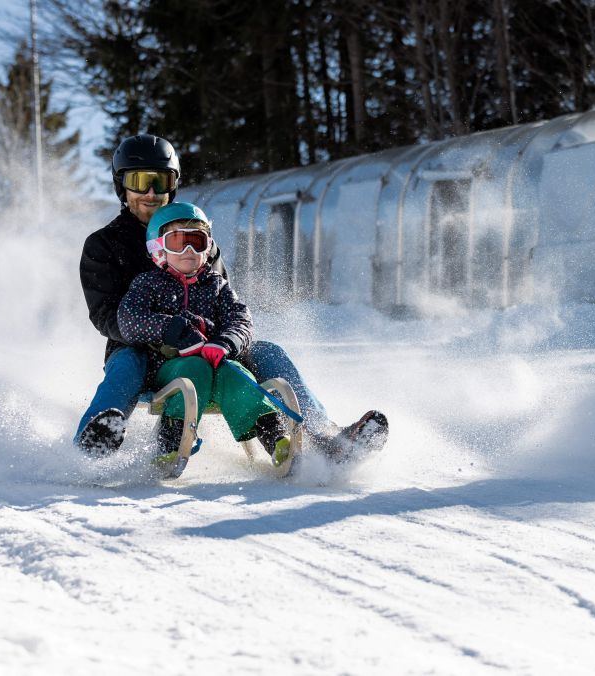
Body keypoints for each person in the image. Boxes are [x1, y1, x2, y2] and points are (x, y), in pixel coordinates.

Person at [75, 133, 387, 460]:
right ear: (121, 185)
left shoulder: (199, 242)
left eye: (161, 180)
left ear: (174, 184)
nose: (151, 192)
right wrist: (163, 331)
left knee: (267, 351)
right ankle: (97, 436)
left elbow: (224, 302)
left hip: (206, 350)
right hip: (142, 351)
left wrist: (224, 341)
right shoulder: (103, 245)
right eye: (140, 181)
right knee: (126, 361)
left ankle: (325, 436)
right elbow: (107, 316)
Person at [116, 203, 289, 477]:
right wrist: (172, 330)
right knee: (193, 372)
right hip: (171, 366)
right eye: (178, 242)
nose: (189, 252)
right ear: (158, 248)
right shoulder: (148, 284)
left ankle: (277, 439)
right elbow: (129, 320)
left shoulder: (217, 285)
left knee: (241, 377)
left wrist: (225, 343)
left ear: (208, 247)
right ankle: (169, 445)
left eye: (196, 242)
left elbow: (240, 320)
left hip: (218, 363)